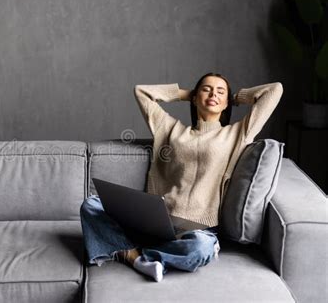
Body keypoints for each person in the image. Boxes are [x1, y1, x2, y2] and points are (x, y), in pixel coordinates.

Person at [80, 72, 283, 282]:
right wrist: (185, 94)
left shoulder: (237, 134)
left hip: (197, 228)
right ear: (195, 98)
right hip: (155, 219)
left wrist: (236, 97)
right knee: (91, 205)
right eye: (206, 89)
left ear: (225, 103)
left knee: (201, 248)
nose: (213, 93)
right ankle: (137, 258)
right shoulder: (170, 129)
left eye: (220, 91)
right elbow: (142, 92)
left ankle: (137, 255)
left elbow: (274, 90)